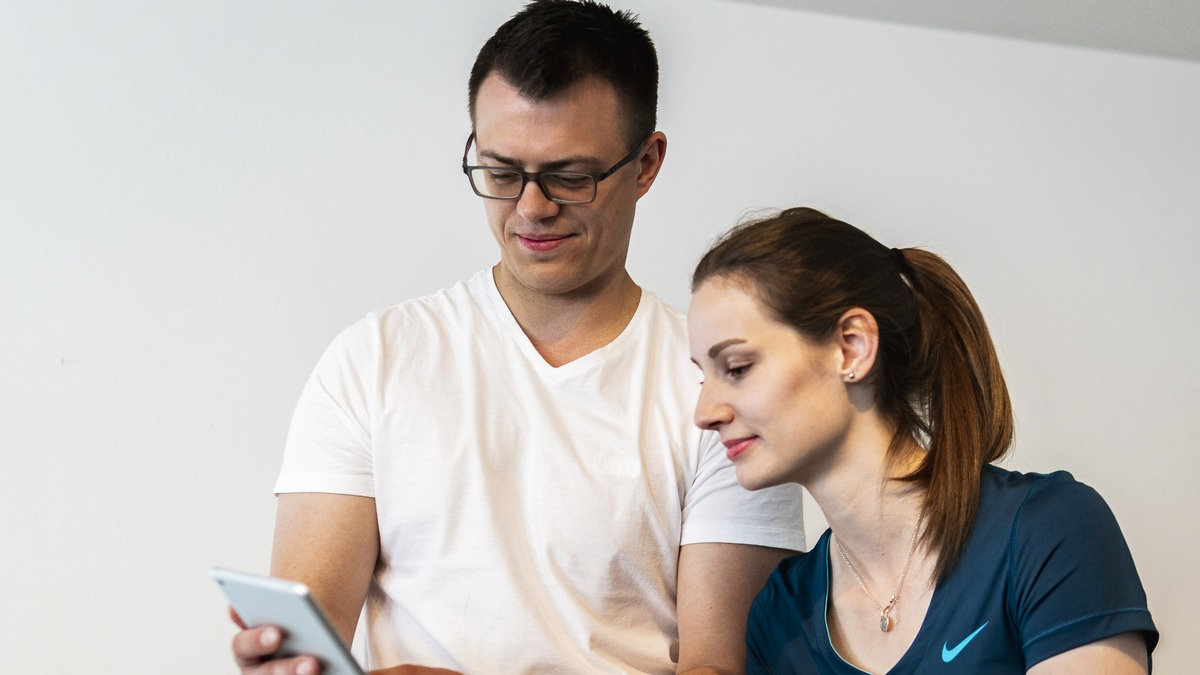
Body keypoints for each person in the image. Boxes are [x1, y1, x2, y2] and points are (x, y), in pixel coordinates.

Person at [230, 2, 805, 674]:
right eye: (501, 172)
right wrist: (286, 662)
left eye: (569, 175)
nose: (531, 207)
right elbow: (313, 641)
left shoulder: (723, 391)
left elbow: (720, 667)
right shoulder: (371, 361)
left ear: (645, 164)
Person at [688, 207, 1158, 674]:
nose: (705, 413)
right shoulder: (780, 618)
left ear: (851, 347)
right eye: (702, 378)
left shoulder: (1048, 529)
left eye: (737, 368)